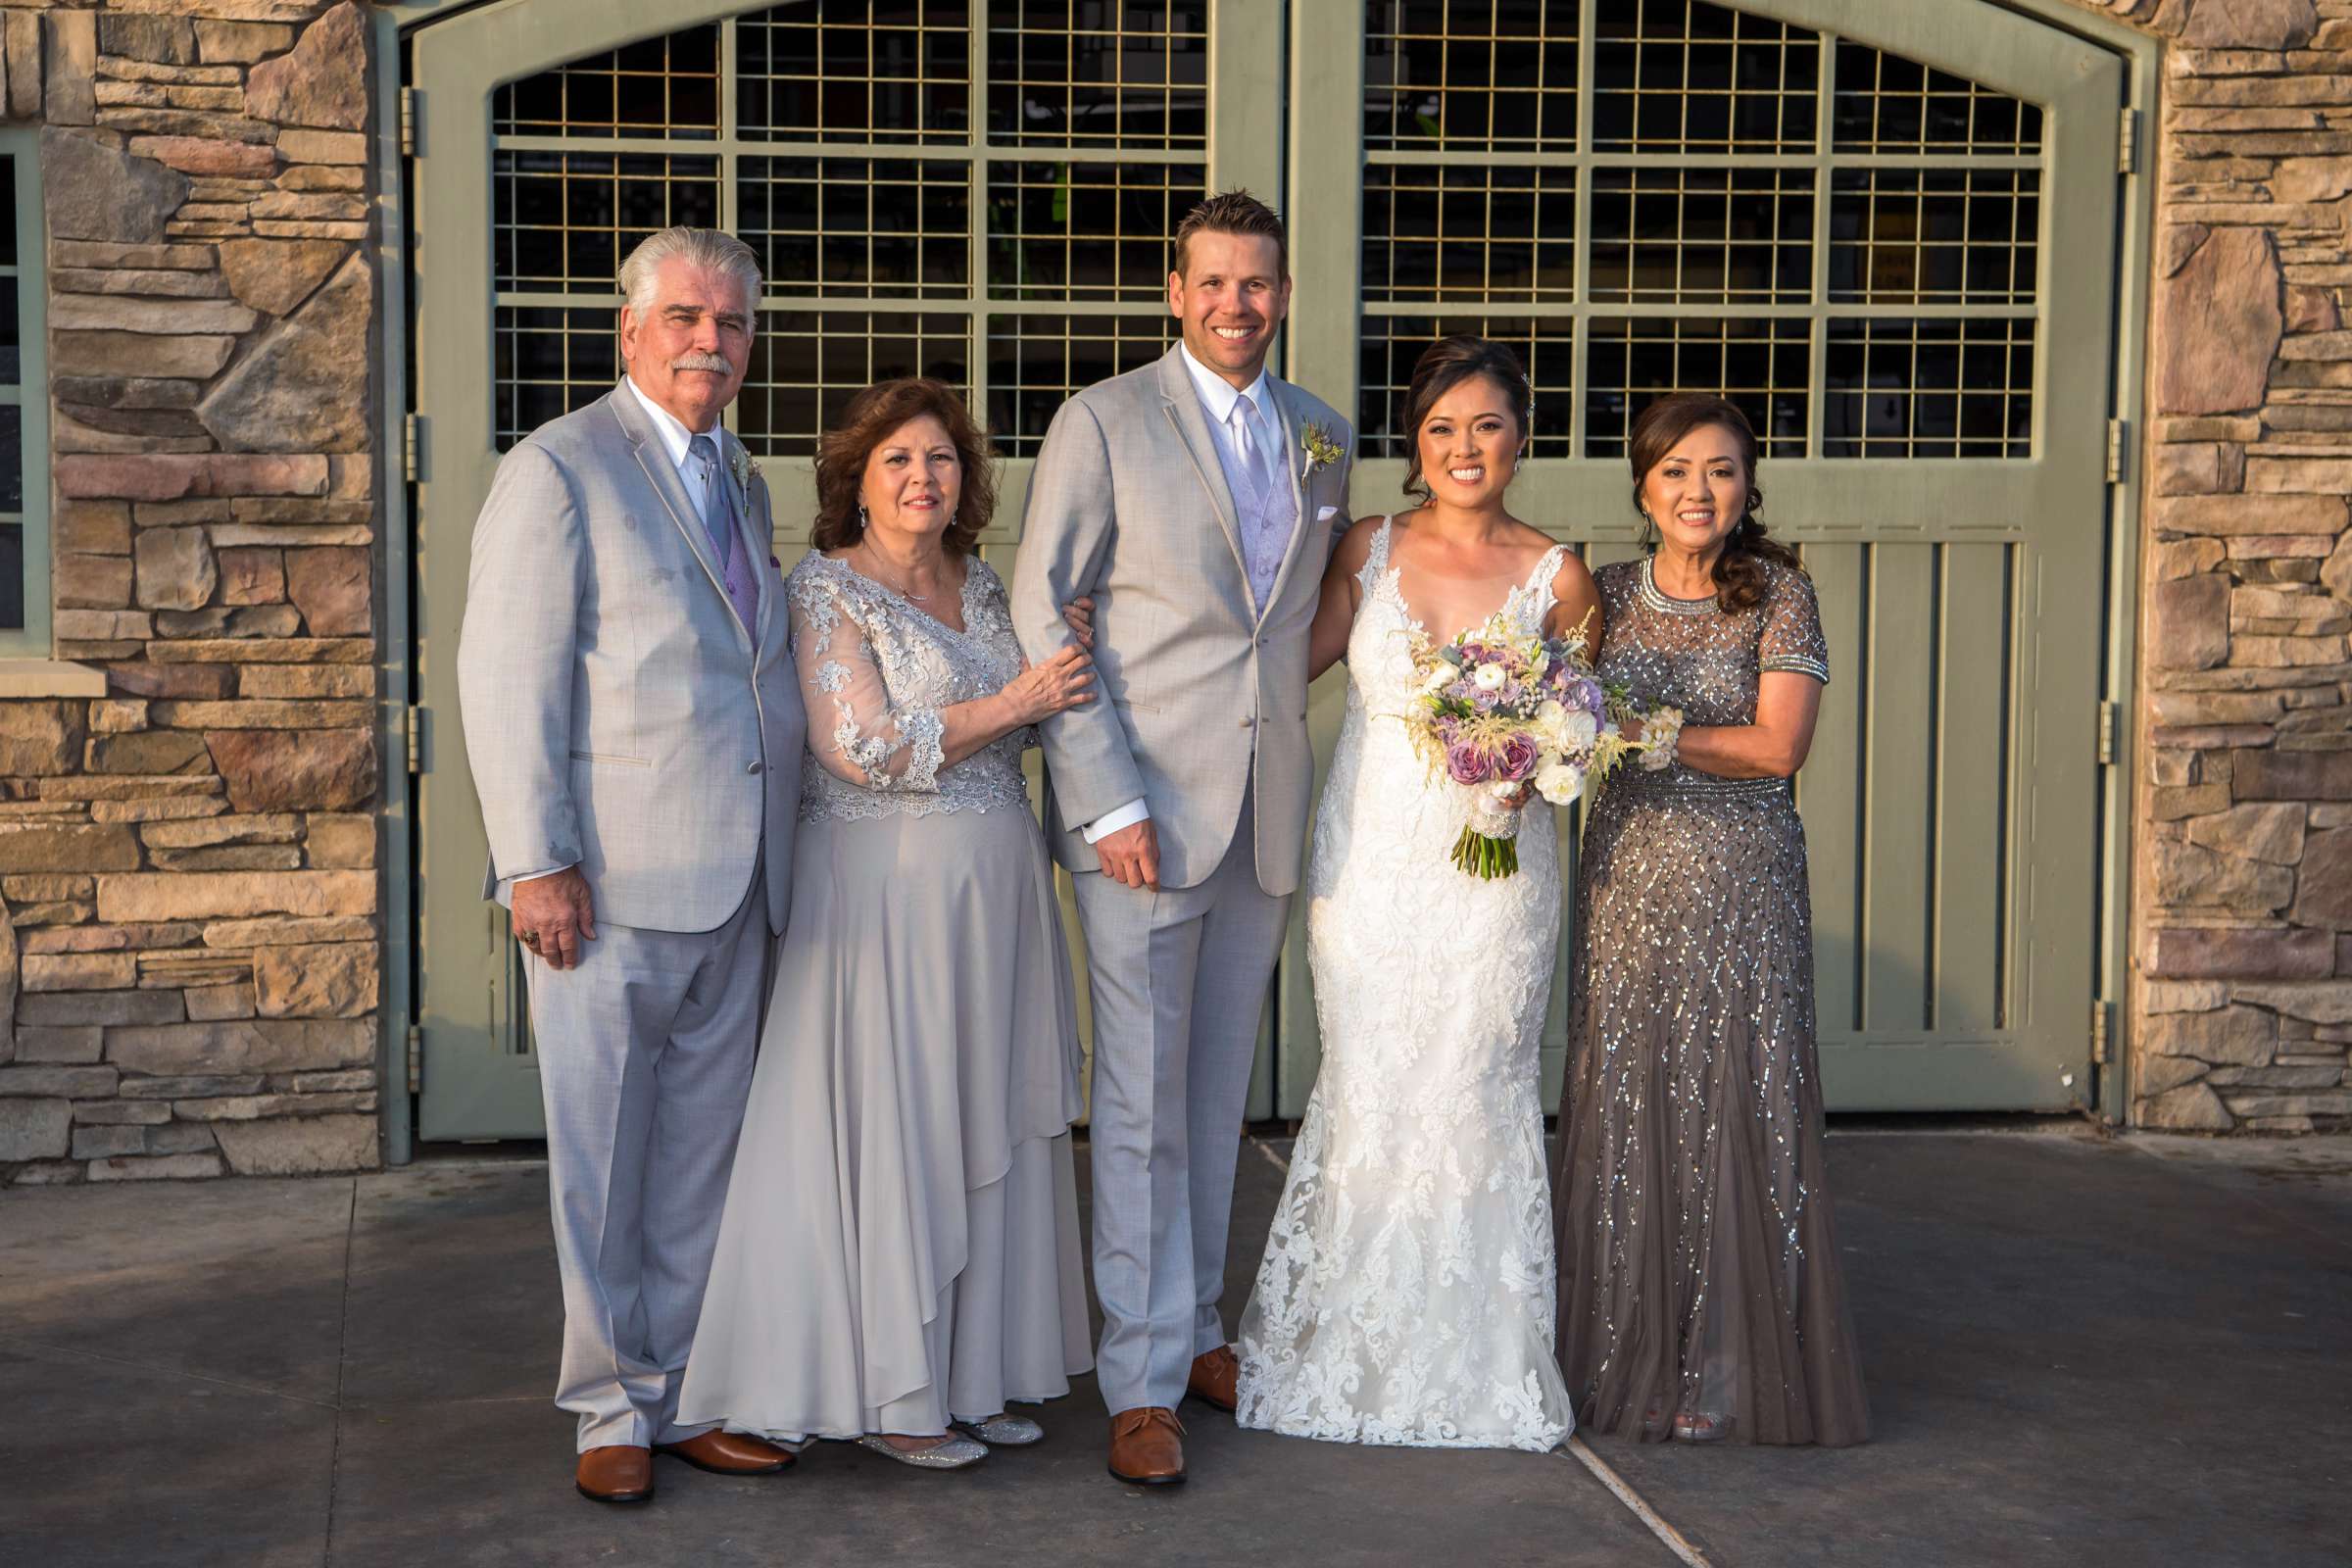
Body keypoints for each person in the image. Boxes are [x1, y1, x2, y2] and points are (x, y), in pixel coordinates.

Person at [676, 378, 1097, 1469]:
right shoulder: (826, 590)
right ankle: (896, 1394)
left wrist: (1068, 668)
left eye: (943, 459)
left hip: (996, 894)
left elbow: (1034, 721)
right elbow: (860, 744)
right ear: (856, 480)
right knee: (901, 1124)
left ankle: (976, 1374)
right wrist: (1022, 701)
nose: (924, 478)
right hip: (882, 900)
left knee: (985, 1123)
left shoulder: (988, 583)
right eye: (899, 460)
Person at [1008, 190, 1355, 1487]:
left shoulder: (1320, 434)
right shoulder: (1103, 421)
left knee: (1215, 1097)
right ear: (1174, 289)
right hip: (1142, 816)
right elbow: (1049, 610)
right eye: (1212, 282)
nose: (1235, 305)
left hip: (1264, 814)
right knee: (1141, 1103)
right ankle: (1141, 1376)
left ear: (1282, 290)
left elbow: (1292, 624)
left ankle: (1198, 1324)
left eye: (1256, 283)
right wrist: (1106, 803)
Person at [456, 225, 807, 1504]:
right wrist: (536, 863)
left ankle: (684, 1394)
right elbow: (506, 680)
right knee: (602, 1165)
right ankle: (607, 1405)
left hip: (739, 884)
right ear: (631, 331)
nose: (710, 341)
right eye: (685, 319)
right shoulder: (560, 469)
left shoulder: (741, 476)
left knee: (702, 1159)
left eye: (731, 324)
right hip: (605, 889)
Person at [1229, 336, 1596, 1451]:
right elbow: (1285, 665)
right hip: (1374, 856)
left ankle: (1479, 1355)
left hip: (1496, 871)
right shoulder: (1364, 547)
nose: (1465, 448)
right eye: (1442, 428)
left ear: (1520, 438)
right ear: (1414, 443)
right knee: (1374, 1078)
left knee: (1476, 1078)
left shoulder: (1559, 572)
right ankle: (1352, 1344)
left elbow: (1582, 725)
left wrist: (1536, 761)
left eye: (1486, 425)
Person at [1551, 393, 1869, 1446]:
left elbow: (1779, 748)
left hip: (1742, 881)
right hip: (1629, 880)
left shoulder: (1781, 595)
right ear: (1643, 483)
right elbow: (1547, 715)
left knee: (1737, 1102)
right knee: (1631, 1100)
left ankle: (1728, 1367)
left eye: (1722, 470)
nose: (1700, 491)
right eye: (1678, 469)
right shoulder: (1598, 595)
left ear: (1748, 487)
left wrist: (1639, 731)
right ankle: (1625, 1359)